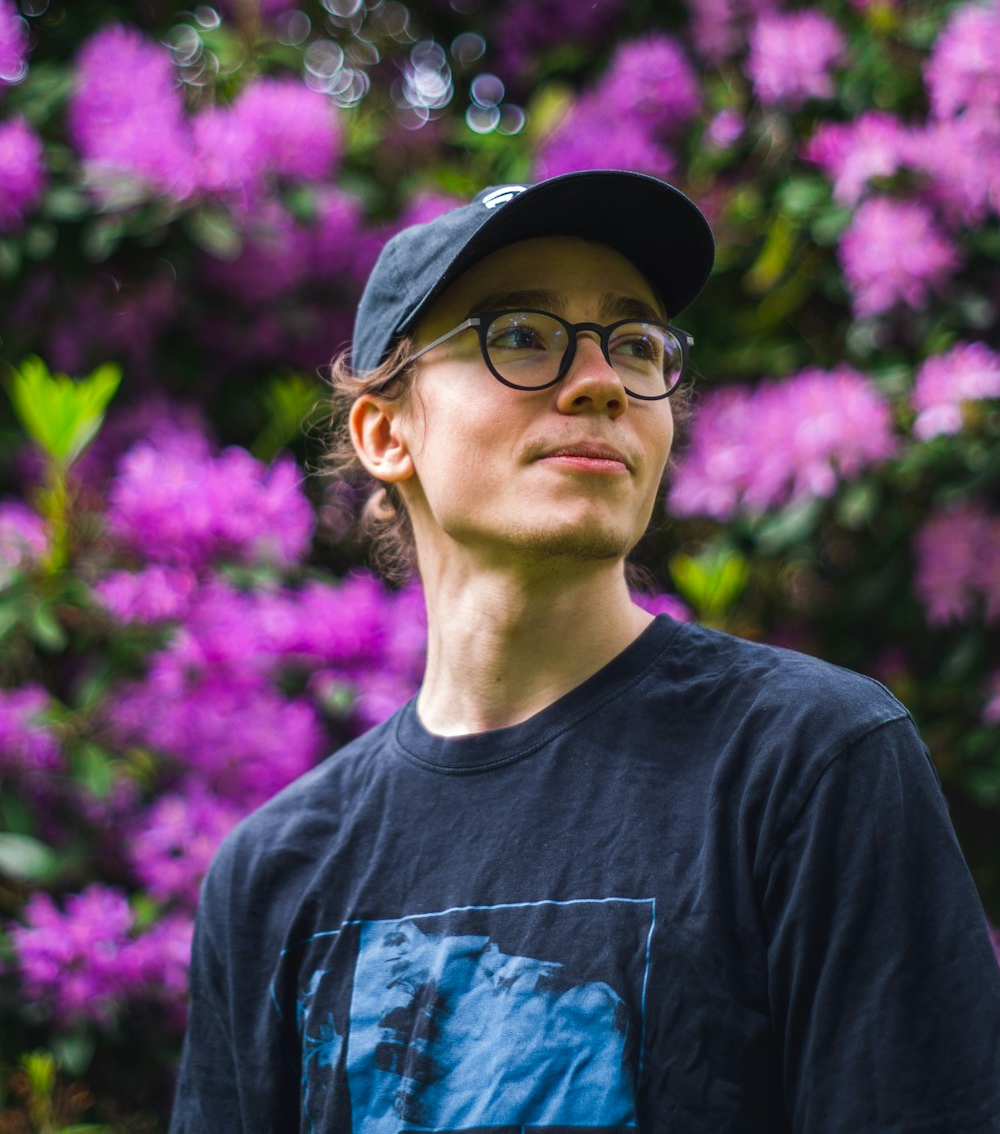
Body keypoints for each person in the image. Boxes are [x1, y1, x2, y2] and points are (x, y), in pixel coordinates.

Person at [169, 170, 1000, 1134]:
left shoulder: (809, 764)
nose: (602, 380)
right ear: (386, 430)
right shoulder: (271, 874)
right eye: (520, 335)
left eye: (636, 344)